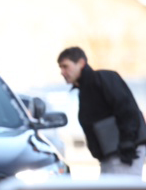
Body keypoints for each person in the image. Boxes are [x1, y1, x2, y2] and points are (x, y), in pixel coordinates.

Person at [57, 46, 145, 176]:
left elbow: (126, 108)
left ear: (81, 63)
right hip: (110, 154)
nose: (62, 72)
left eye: (66, 66)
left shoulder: (103, 78)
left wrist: (127, 142)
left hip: (124, 152)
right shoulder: (85, 89)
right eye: (60, 68)